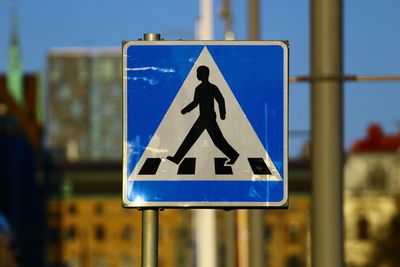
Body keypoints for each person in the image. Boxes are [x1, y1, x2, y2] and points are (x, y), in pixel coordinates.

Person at [167, 65, 239, 165]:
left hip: (209, 118)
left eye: (199, 73)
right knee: (192, 138)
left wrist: (223, 114)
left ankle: (233, 155)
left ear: (204, 74)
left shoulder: (212, 87)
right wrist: (185, 110)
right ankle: (177, 158)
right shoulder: (199, 88)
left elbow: (221, 100)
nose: (197, 75)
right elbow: (195, 103)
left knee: (216, 140)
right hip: (203, 118)